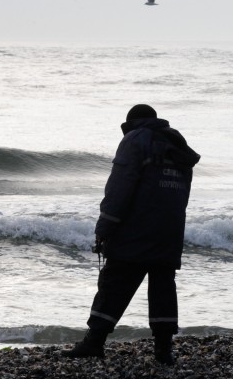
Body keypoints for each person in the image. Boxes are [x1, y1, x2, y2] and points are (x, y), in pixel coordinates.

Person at [63, 104, 200, 363]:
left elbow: (120, 187)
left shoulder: (135, 140)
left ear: (131, 123)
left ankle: (94, 342)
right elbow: (184, 191)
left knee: (115, 283)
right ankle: (163, 351)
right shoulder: (177, 141)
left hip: (137, 229)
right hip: (170, 229)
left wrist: (104, 227)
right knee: (163, 288)